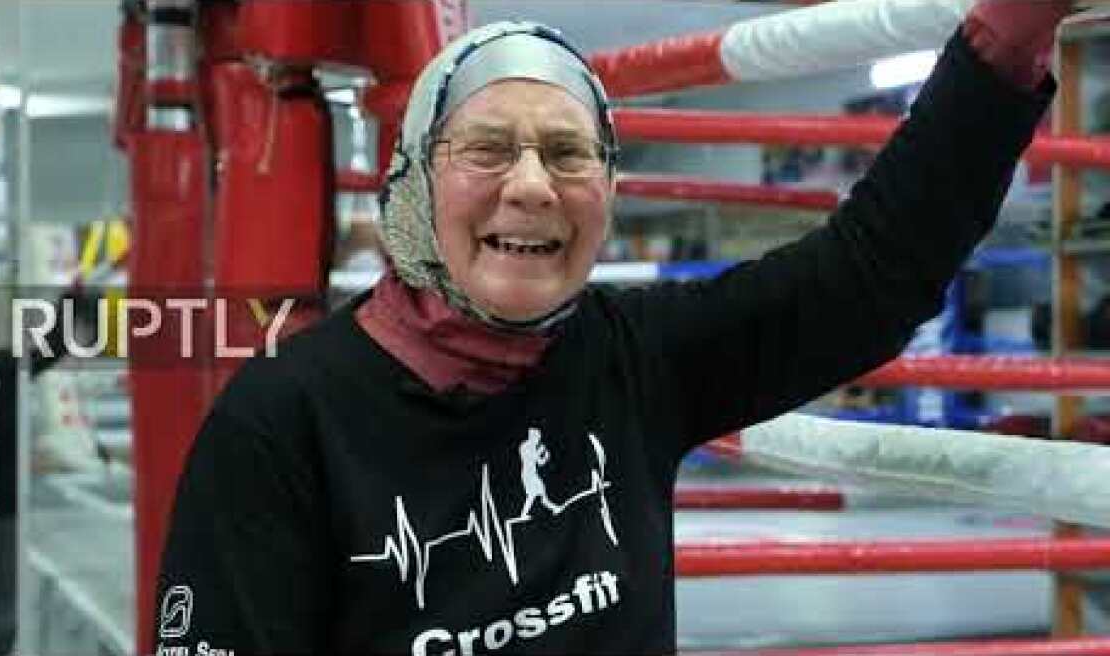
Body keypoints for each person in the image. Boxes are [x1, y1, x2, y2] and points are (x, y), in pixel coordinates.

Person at [154, 3, 1070, 654]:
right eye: (484, 148)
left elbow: (868, 279)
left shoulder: (633, 355)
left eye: (567, 153)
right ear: (413, 180)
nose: (531, 184)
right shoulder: (279, 425)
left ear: (606, 195)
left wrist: (1002, 43)